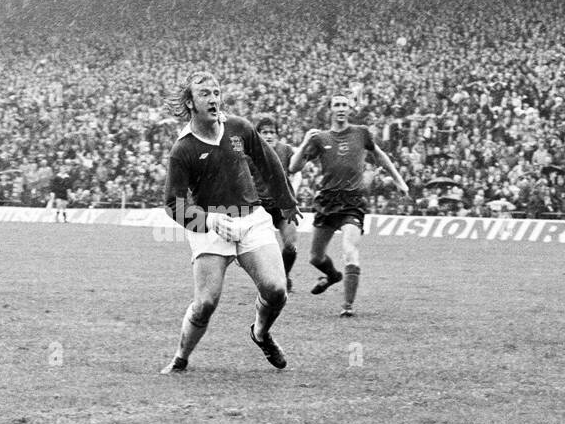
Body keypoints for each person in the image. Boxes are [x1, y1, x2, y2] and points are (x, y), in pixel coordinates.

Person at [160, 70, 298, 374]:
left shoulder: (239, 128)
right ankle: (181, 357)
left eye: (216, 92)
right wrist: (208, 220)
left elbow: (268, 161)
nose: (213, 99)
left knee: (277, 290)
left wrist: (286, 202)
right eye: (205, 94)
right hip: (211, 226)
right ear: (191, 102)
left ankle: (260, 333)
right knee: (206, 303)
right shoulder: (183, 150)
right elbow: (173, 204)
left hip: (251, 218)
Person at [290, 91, 409, 317]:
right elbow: (294, 168)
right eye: (337, 104)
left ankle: (347, 306)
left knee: (350, 250)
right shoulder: (320, 138)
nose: (342, 108)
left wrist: (399, 181)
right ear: (331, 109)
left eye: (345, 104)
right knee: (315, 257)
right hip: (327, 200)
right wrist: (305, 141)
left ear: (350, 109)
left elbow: (380, 156)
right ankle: (333, 276)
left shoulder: (361, 133)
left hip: (352, 201)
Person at [252, 116, 300, 292]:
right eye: (264, 132)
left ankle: (283, 276)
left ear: (278, 135)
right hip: (258, 207)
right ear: (257, 135)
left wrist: (292, 190)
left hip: (282, 206)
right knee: (261, 250)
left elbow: (297, 171)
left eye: (272, 132)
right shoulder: (249, 153)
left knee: (291, 246)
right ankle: (266, 280)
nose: (269, 135)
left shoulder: (286, 151)